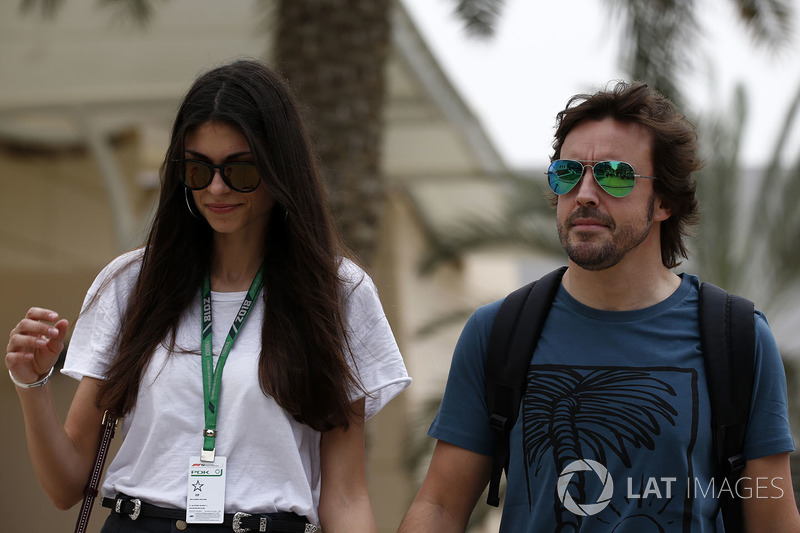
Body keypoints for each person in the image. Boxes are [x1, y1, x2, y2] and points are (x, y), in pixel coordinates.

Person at [6, 58, 410, 533]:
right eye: (198, 169)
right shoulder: (132, 284)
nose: (216, 187)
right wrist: (30, 385)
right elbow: (66, 486)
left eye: (240, 169)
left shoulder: (338, 294)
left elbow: (345, 495)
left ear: (281, 167)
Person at [399, 81, 800, 532]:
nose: (585, 192)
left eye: (614, 174)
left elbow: (772, 520)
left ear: (664, 200)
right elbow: (439, 507)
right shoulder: (499, 332)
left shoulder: (739, 339)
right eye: (568, 173)